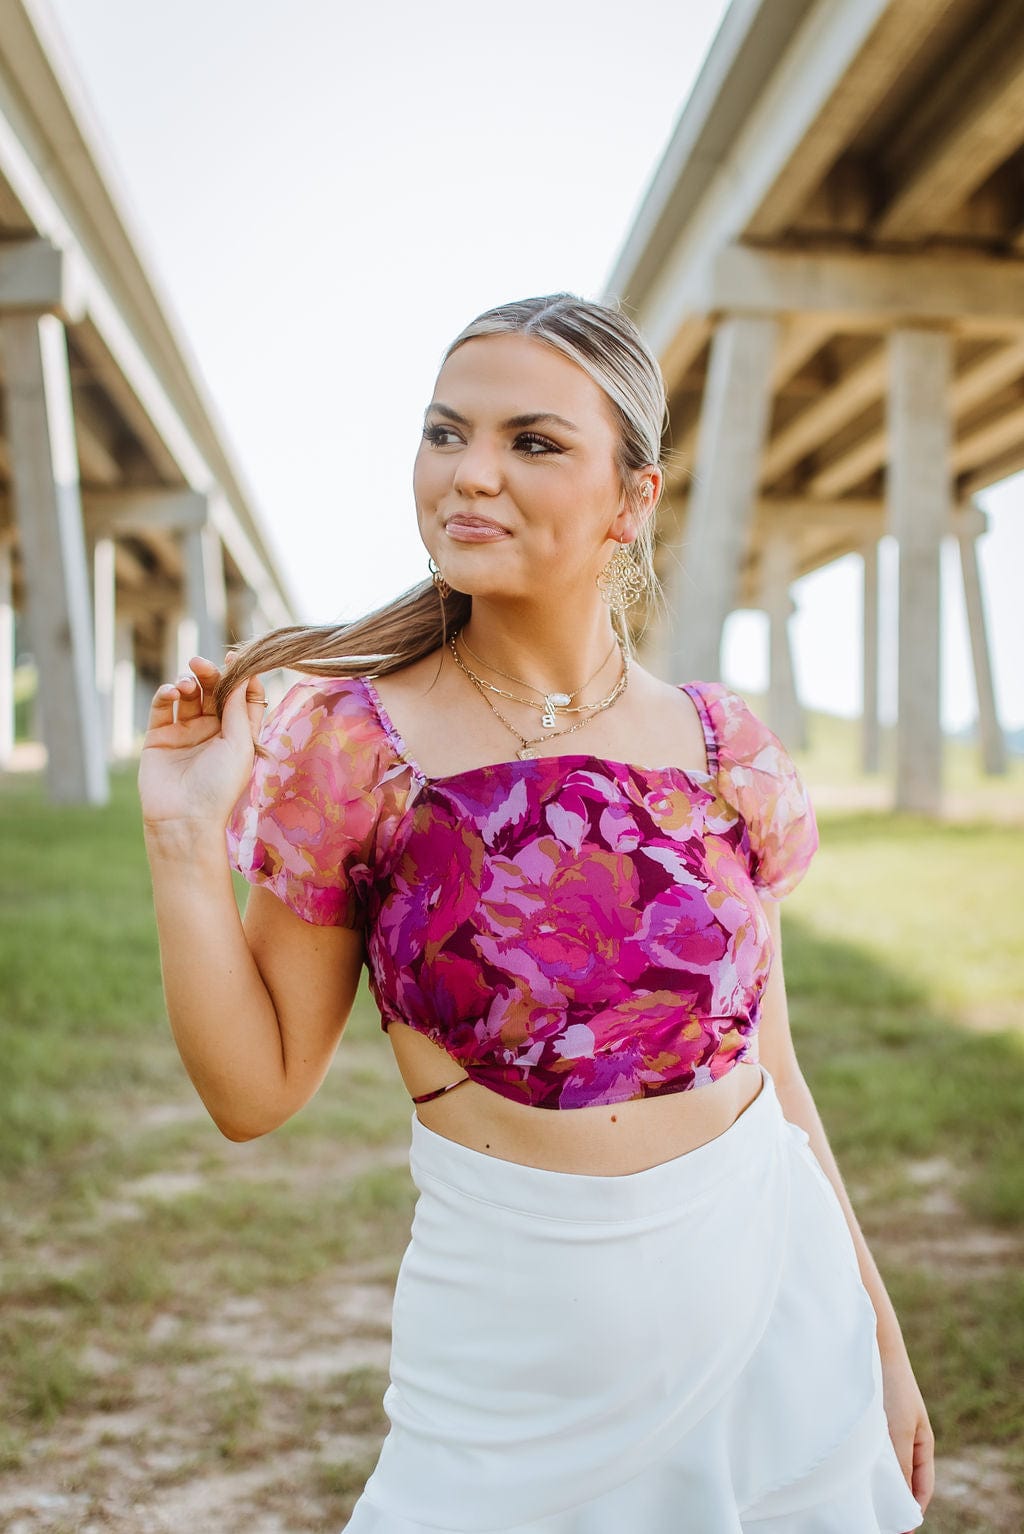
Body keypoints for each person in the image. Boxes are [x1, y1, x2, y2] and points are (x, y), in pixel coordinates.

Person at [138, 292, 934, 1532]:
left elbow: (774, 1070)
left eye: (533, 442)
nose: (472, 474)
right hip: (512, 1371)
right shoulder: (357, 747)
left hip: (778, 1334)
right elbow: (256, 1093)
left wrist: (879, 1342)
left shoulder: (720, 746)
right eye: (446, 433)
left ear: (632, 500)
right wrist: (183, 838)